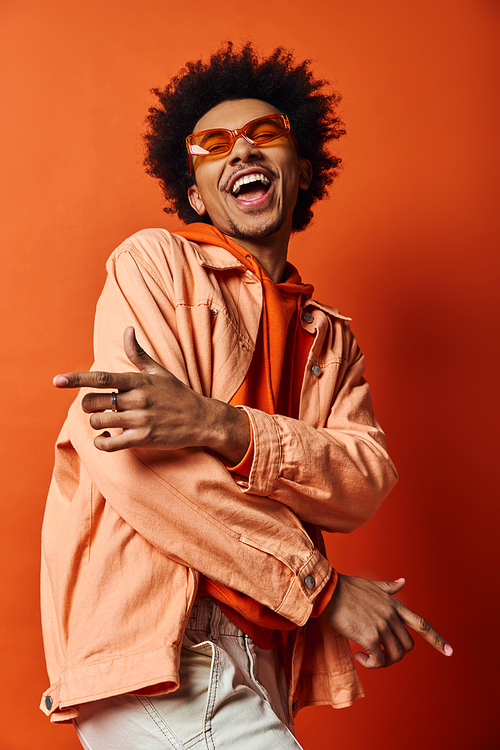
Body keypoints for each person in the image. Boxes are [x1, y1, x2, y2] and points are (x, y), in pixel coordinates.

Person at [40, 43, 452, 750]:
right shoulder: (154, 264)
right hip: (164, 656)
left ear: (302, 173)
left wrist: (220, 425)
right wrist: (321, 592)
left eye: (265, 135)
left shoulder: (329, 341)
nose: (241, 151)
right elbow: (135, 464)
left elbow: (362, 480)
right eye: (213, 144)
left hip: (261, 658)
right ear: (197, 192)